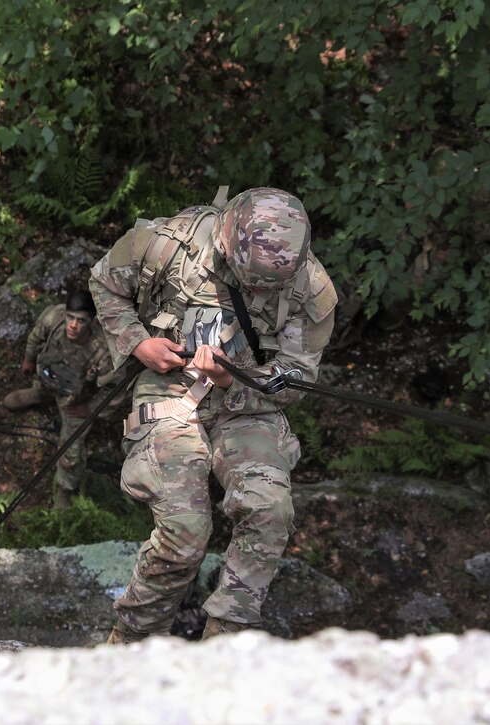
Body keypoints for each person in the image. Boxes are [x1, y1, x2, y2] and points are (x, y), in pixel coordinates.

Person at [88, 186, 337, 642]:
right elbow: (105, 283)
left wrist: (236, 379)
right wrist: (139, 343)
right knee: (184, 532)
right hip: (171, 387)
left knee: (270, 510)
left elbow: (296, 377)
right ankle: (131, 646)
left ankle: (224, 645)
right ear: (226, 243)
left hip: (247, 404)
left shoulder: (310, 288)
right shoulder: (164, 244)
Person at [2, 290, 116, 509]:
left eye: (81, 321)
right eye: (70, 317)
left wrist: (90, 408)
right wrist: (28, 359)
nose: (73, 325)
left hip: (74, 399)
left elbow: (115, 391)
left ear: (91, 322)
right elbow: (36, 337)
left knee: (70, 450)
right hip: (49, 378)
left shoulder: (104, 351)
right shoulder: (53, 318)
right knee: (27, 392)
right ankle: (38, 395)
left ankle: (65, 488)